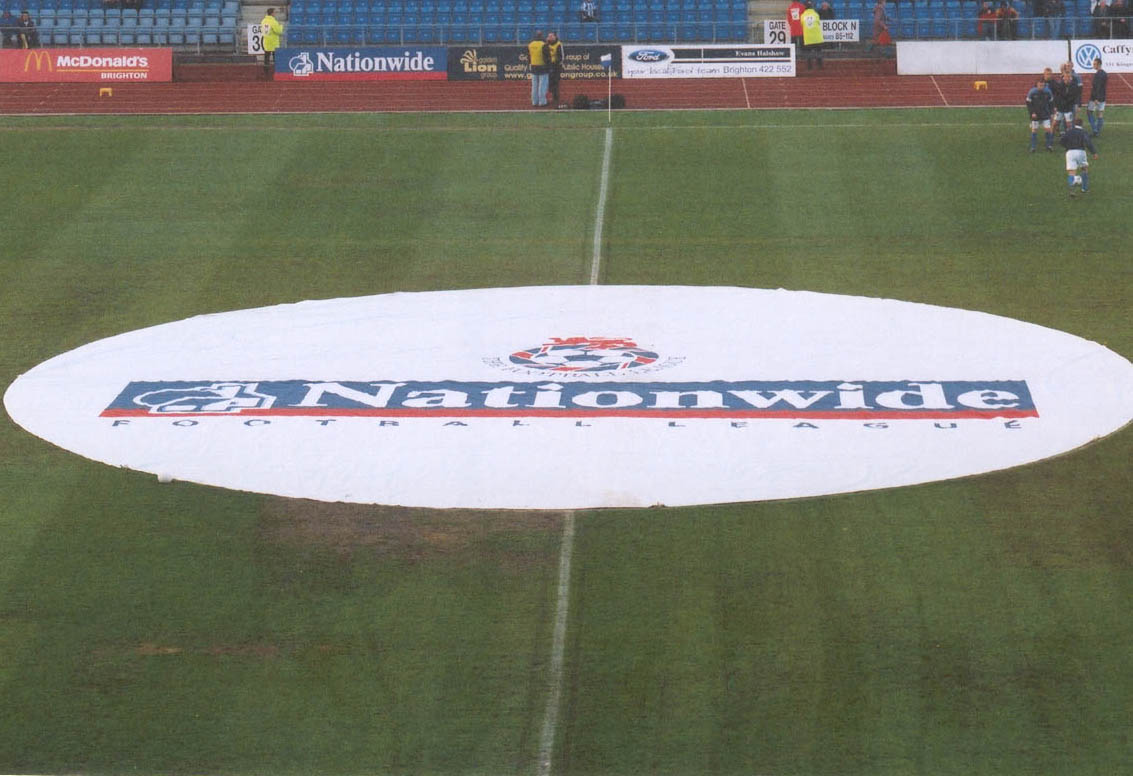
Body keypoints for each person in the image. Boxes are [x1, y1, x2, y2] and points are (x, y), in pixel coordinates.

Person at [1059, 117, 1097, 197]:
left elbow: (1061, 141)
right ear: (1082, 124)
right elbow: (1088, 142)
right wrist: (1094, 152)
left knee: (1071, 172)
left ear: (1074, 124)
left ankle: (1072, 191)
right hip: (1080, 151)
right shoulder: (1083, 132)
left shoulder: (1069, 131)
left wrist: (1067, 146)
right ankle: (1084, 188)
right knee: (1084, 168)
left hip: (1070, 153)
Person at [1025, 76, 1054, 153]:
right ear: (1037, 85)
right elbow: (1028, 103)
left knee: (1048, 129)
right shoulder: (1032, 92)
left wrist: (1051, 113)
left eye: (1043, 85)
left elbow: (1051, 103)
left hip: (1045, 114)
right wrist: (1032, 113)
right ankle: (1033, 147)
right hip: (1036, 115)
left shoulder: (1048, 92)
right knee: (1034, 130)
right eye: (1040, 85)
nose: (1041, 87)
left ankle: (1049, 146)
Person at [1052, 71, 1081, 137]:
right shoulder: (1059, 85)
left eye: (1068, 77)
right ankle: (1050, 139)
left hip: (1068, 108)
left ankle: (1069, 138)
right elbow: (1056, 97)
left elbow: (1074, 97)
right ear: (1063, 77)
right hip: (1060, 108)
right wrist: (1055, 106)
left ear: (1070, 77)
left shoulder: (1074, 86)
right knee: (1055, 123)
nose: (1067, 78)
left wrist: (1077, 106)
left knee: (1069, 124)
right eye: (1065, 76)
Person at [527, 29, 550, 107]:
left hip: (533, 66)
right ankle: (542, 101)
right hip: (542, 66)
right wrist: (549, 66)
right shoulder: (544, 45)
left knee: (534, 85)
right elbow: (547, 57)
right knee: (542, 85)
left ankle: (534, 101)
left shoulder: (530, 44)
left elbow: (528, 56)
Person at [260, 8, 283, 80]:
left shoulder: (263, 21)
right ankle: (276, 71)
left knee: (266, 57)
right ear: (272, 13)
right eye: (274, 12)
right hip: (273, 42)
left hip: (266, 42)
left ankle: (266, 72)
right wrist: (281, 26)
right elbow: (278, 31)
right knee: (275, 58)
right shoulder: (273, 21)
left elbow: (262, 30)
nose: (275, 14)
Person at [800, 1, 824, 70]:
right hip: (817, 37)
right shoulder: (816, 14)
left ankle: (809, 66)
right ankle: (819, 65)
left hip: (808, 38)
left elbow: (802, 24)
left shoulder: (802, 16)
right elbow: (818, 22)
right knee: (818, 51)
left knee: (808, 52)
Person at [1087, 56, 1107, 136]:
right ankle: (1097, 132)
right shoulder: (1104, 73)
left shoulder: (1098, 74)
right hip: (1103, 97)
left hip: (1095, 97)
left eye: (1094, 64)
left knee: (1089, 112)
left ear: (1098, 64)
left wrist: (1096, 98)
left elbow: (1098, 87)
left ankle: (1095, 129)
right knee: (1100, 113)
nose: (1093, 65)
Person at [546, 31, 564, 106]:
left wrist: (555, 63)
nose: (549, 37)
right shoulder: (546, 44)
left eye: (551, 36)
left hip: (556, 67)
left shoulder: (559, 44)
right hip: (549, 66)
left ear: (555, 37)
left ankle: (556, 98)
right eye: (548, 36)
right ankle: (551, 96)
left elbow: (561, 57)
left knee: (556, 82)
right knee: (550, 83)